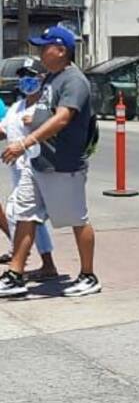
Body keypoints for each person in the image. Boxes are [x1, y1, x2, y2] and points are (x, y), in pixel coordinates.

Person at [0, 26, 99, 298]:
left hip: (63, 164)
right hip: (39, 162)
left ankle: (88, 275)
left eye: (45, 47)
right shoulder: (51, 78)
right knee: (25, 214)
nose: (41, 51)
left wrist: (24, 143)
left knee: (77, 219)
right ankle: (15, 275)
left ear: (62, 50)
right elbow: (40, 111)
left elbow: (64, 117)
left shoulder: (74, 81)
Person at [0, 64, 58, 280]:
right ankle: (46, 264)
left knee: (19, 214)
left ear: (42, 78)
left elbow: (60, 128)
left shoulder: (47, 108)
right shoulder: (17, 107)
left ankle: (17, 267)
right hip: (19, 171)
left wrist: (38, 122)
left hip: (40, 170)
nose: (26, 80)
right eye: (23, 77)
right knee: (31, 218)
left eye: (31, 76)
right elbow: (4, 130)